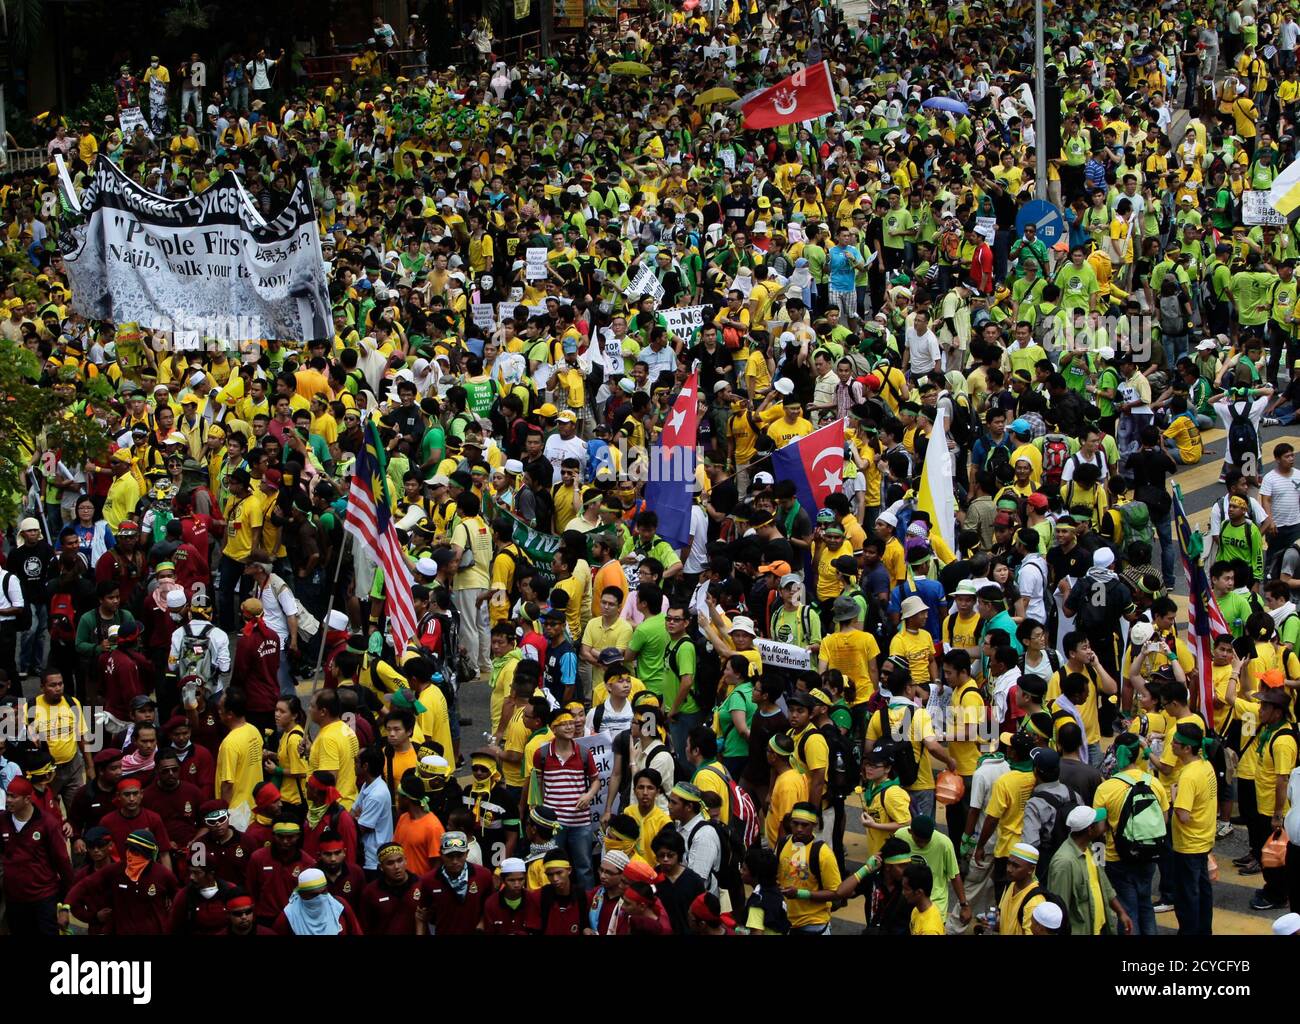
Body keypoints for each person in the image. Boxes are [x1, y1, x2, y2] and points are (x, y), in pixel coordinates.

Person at [1045, 805, 1132, 935]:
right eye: (1099, 822)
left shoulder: (1089, 848)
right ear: (1090, 829)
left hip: (1100, 928)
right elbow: (1059, 910)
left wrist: (1121, 912)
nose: (1103, 824)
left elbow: (1104, 885)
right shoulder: (1064, 863)